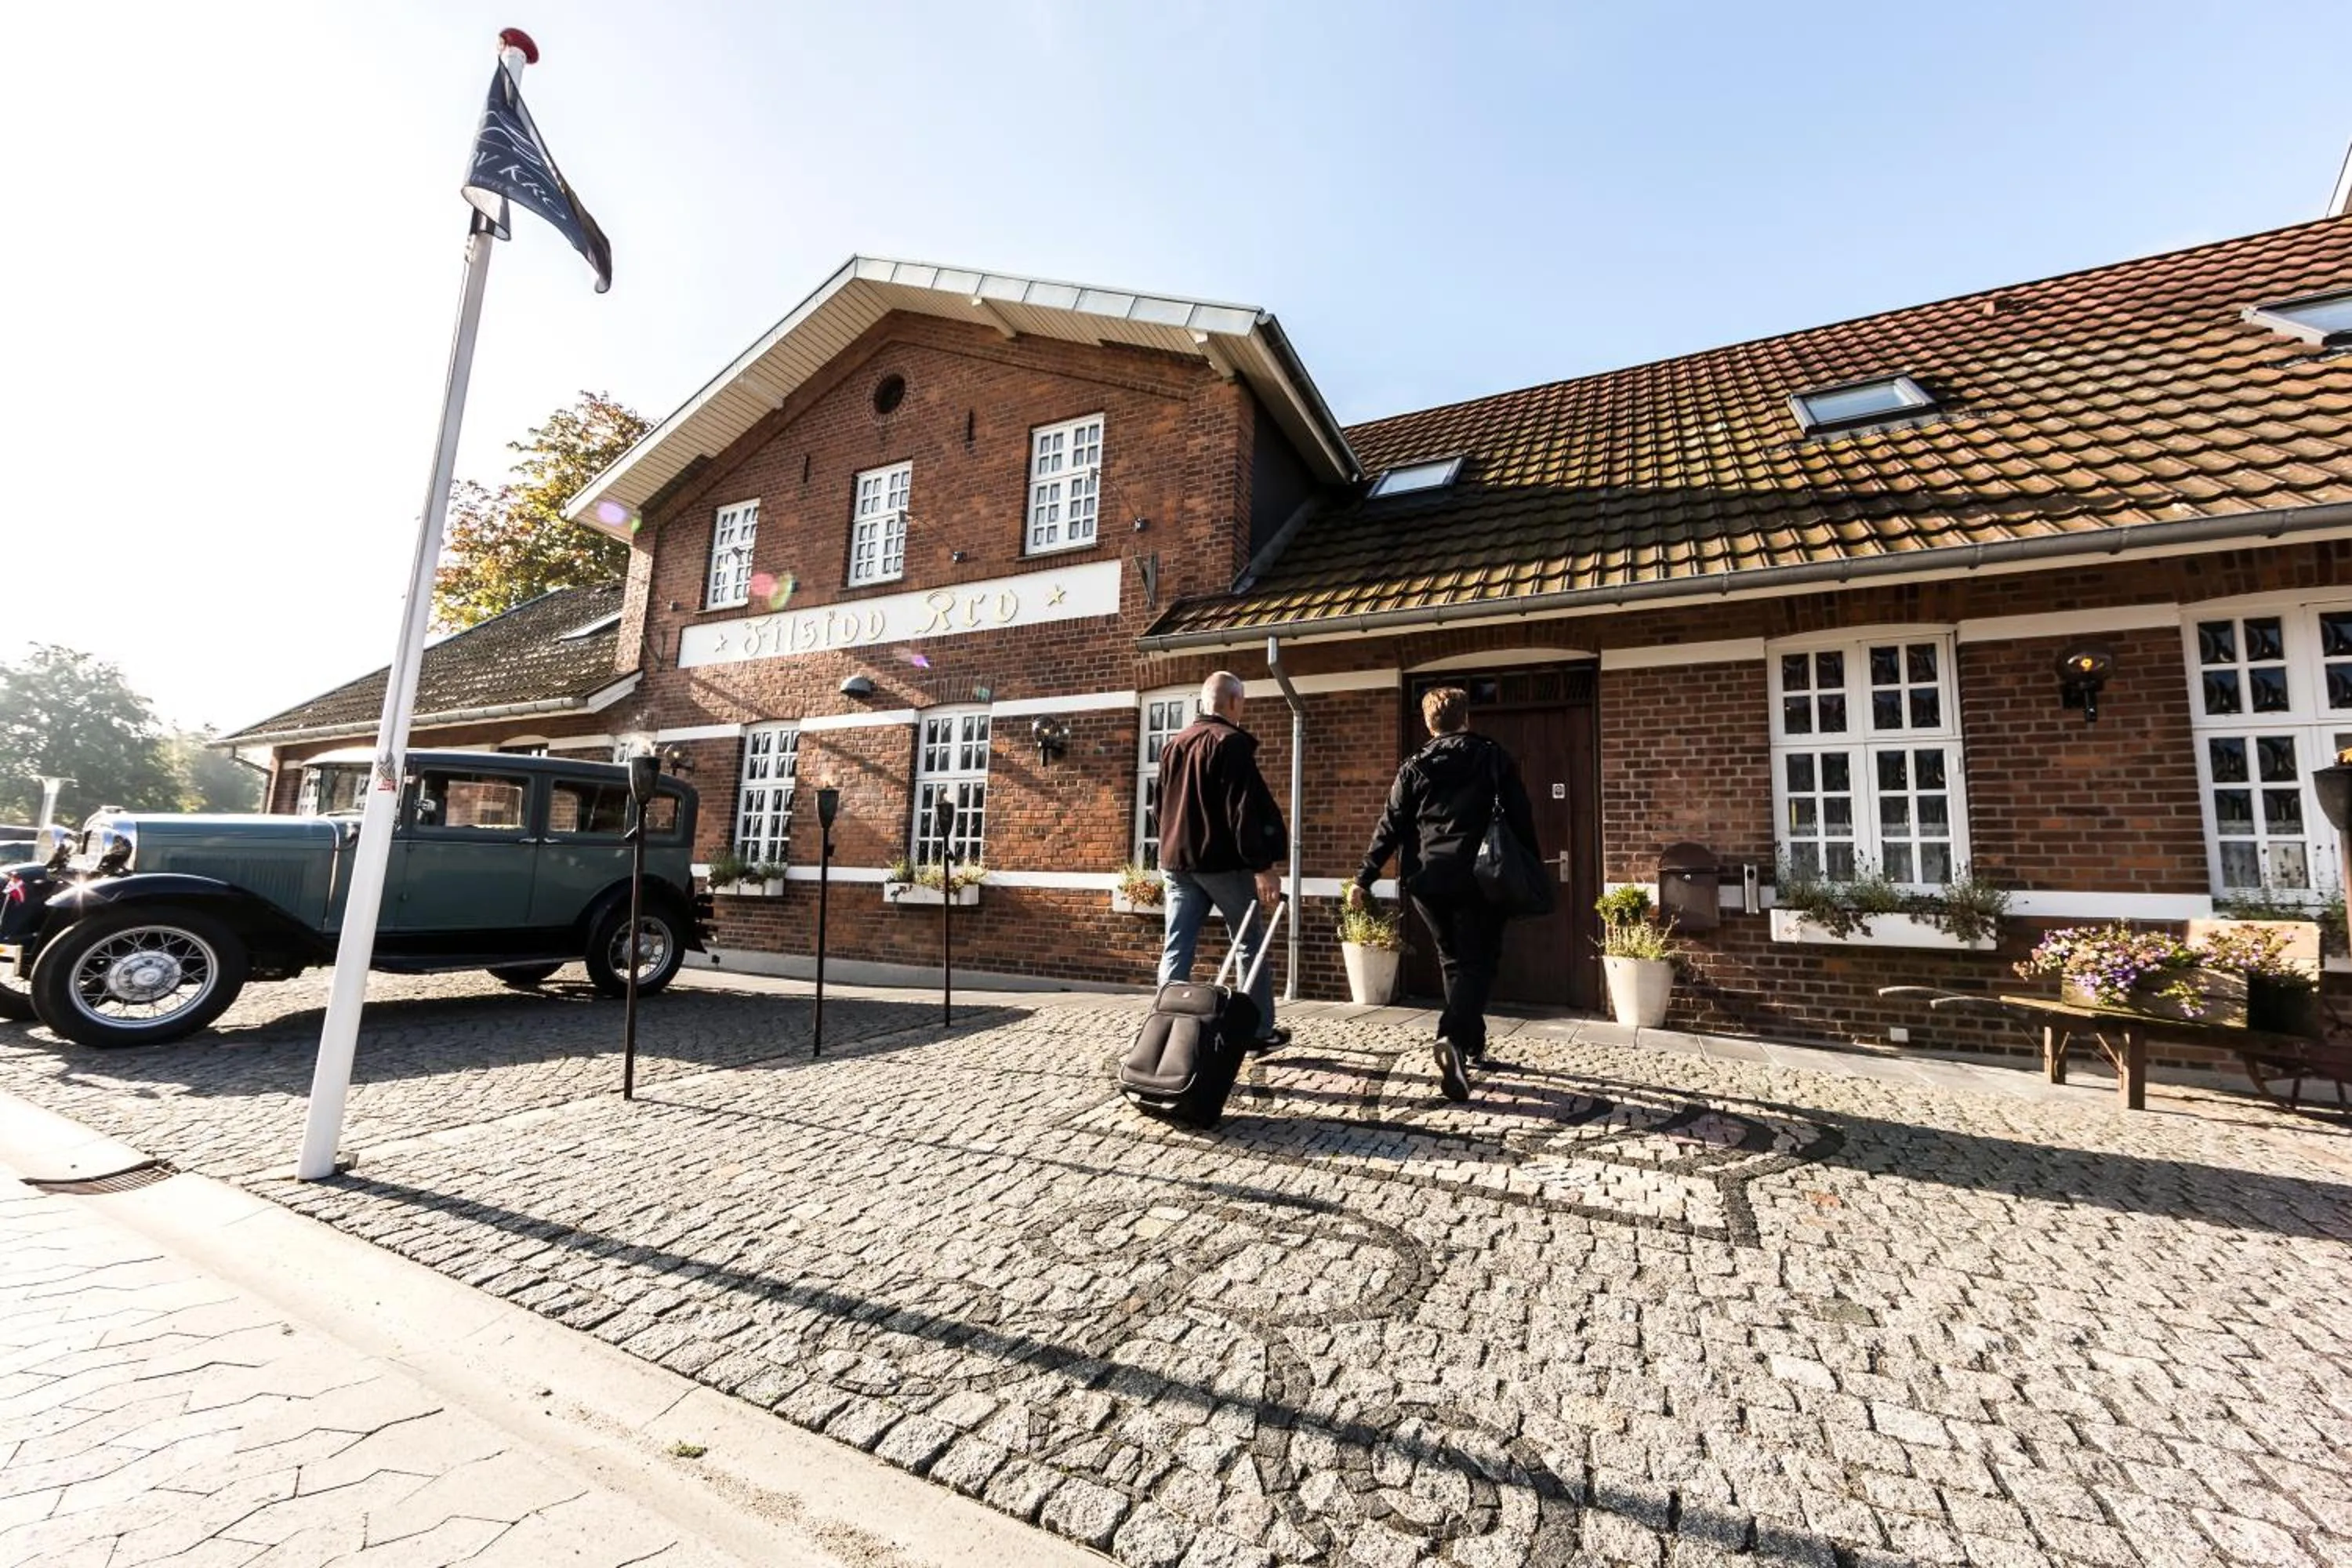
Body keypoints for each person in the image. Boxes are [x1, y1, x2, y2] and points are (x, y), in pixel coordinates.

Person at [1347, 686, 1537, 1102]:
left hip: (1428, 881)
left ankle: (1471, 1045)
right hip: (1481, 878)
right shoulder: (1492, 757)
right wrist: (1529, 868)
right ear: (1466, 717)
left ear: (1428, 722)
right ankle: (1452, 1037)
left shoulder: (1414, 766)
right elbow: (1521, 815)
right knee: (1480, 963)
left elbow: (1390, 825)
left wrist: (1364, 877)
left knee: (1454, 961)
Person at [1157, 670, 1291, 1050]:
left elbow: (1159, 809)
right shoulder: (1231, 742)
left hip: (1176, 862)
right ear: (1234, 702)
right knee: (1249, 942)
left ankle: (1162, 1031)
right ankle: (1257, 1031)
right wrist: (1262, 866)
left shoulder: (1173, 745)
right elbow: (1242, 812)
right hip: (1222, 864)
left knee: (1177, 946)